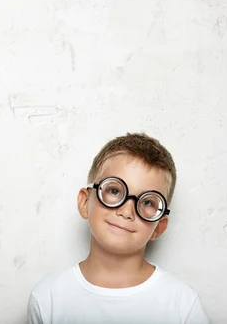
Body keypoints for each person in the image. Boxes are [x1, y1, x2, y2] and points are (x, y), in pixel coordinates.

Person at [27, 133, 210, 324]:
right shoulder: (47, 300)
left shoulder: (183, 305)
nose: (127, 211)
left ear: (159, 227)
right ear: (85, 202)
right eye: (114, 191)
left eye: (147, 202)